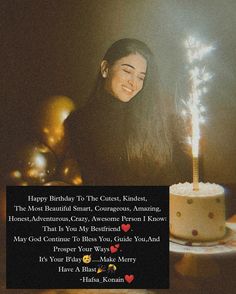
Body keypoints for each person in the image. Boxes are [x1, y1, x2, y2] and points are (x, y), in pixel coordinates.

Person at [64, 38, 190, 185]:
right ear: (105, 68)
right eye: (127, 71)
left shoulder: (156, 119)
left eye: (141, 77)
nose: (133, 82)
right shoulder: (80, 122)